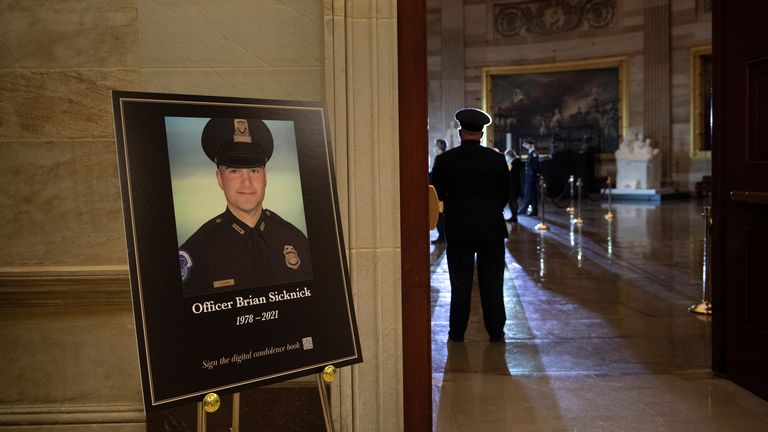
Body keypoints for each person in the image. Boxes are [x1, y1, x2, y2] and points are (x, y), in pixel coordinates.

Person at [179, 118, 313, 296]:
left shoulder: (297, 240)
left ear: (265, 177)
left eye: (254, 170)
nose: (247, 182)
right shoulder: (197, 252)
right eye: (234, 171)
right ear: (219, 179)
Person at [430, 108, 509, 342]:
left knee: (460, 283)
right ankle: (496, 331)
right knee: (493, 283)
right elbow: (506, 193)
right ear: (482, 134)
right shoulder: (497, 159)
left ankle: (457, 332)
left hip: (459, 229)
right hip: (491, 230)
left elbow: (438, 194)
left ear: (460, 131)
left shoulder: (444, 160)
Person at [430, 139, 448, 244]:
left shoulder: (439, 158)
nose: (434, 148)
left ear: (439, 147)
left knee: (440, 215)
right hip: (443, 190)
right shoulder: (445, 158)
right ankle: (442, 236)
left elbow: (435, 175)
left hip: (439, 190)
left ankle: (442, 236)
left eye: (435, 146)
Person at [518, 137, 540, 216]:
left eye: (526, 144)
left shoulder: (534, 153)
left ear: (531, 145)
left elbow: (536, 166)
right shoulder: (531, 152)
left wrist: (535, 175)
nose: (525, 146)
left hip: (531, 176)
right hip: (529, 176)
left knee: (529, 193)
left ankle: (524, 209)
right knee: (532, 194)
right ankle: (534, 210)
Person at [505, 149, 523, 223]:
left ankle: (514, 217)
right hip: (515, 184)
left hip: (513, 184)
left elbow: (509, 172)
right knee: (513, 201)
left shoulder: (513, 162)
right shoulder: (517, 161)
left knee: (512, 201)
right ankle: (514, 216)